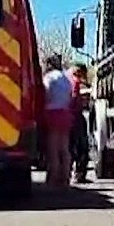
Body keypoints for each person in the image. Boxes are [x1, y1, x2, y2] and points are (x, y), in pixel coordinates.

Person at [41, 54, 75, 188]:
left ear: (49, 65)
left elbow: (46, 94)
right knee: (64, 147)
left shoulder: (48, 78)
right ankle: (66, 176)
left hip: (52, 112)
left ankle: (53, 177)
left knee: (53, 148)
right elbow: (70, 95)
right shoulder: (65, 78)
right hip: (65, 112)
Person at [67, 63, 91, 184]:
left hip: (66, 116)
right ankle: (79, 175)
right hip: (75, 116)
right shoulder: (75, 82)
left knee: (69, 146)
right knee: (82, 146)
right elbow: (74, 97)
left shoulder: (65, 79)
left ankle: (67, 173)